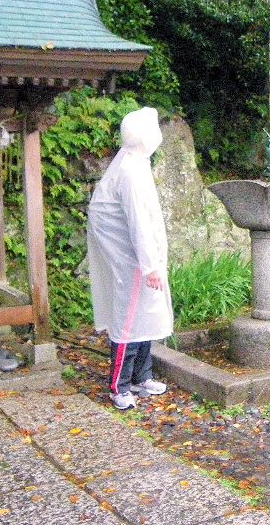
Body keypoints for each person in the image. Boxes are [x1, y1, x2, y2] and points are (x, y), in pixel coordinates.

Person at [87, 107, 174, 409]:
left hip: (136, 256)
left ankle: (141, 377)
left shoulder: (134, 163)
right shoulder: (130, 170)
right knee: (129, 314)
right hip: (131, 257)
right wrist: (149, 264)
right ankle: (119, 385)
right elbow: (138, 221)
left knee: (144, 314)